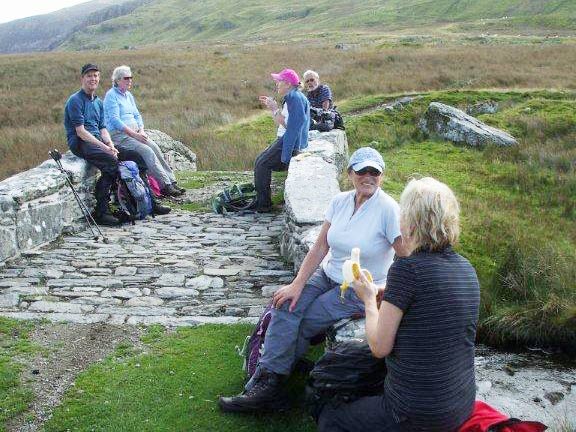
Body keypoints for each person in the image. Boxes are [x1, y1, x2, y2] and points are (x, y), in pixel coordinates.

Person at [219, 147, 407, 413]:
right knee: (285, 303)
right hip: (327, 275)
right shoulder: (340, 202)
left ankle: (268, 383)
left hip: (358, 288)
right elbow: (320, 248)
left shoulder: (389, 210)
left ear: (382, 176)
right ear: (350, 173)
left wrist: (386, 289)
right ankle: (269, 381)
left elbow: (407, 258)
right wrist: (297, 284)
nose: (368, 176)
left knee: (307, 320)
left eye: (374, 172)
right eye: (362, 170)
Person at [318, 177, 480, 432]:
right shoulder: (466, 269)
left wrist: (369, 300)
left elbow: (379, 347)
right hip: (460, 405)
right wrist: (391, 294)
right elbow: (432, 309)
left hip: (414, 413)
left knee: (331, 418)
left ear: (411, 221)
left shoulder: (407, 269)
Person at [103, 65, 184, 198]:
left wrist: (141, 130)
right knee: (147, 151)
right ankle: (164, 186)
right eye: (126, 78)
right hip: (120, 135)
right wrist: (134, 134)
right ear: (117, 80)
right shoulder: (111, 96)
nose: (130, 81)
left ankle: (172, 181)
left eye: (131, 78)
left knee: (155, 148)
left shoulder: (128, 95)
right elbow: (115, 120)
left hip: (136, 132)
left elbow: (137, 115)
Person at [254, 68, 310, 212]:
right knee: (260, 161)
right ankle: (261, 201)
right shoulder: (294, 96)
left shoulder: (294, 98)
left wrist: (274, 108)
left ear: (288, 83)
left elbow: (292, 126)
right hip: (285, 138)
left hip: (288, 140)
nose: (277, 84)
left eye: (279, 81)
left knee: (262, 164)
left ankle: (264, 205)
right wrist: (273, 108)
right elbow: (287, 122)